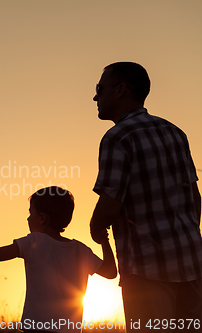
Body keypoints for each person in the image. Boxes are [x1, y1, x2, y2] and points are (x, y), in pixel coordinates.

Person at [90, 62, 202, 332]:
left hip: (147, 270)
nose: (95, 96)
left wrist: (96, 226)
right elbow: (195, 198)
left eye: (99, 88)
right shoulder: (175, 132)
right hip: (193, 264)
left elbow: (110, 204)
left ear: (120, 90)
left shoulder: (117, 138)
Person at [0, 186, 117, 333]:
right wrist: (104, 240)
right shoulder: (81, 250)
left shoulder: (35, 241)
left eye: (31, 213)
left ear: (42, 218)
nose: (28, 218)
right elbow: (111, 272)